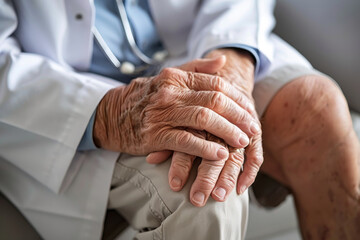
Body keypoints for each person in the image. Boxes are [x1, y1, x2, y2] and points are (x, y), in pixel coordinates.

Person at [0, 1, 358, 240]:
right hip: (61, 93)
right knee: (202, 195)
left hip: (193, 45)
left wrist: (229, 66)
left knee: (316, 108)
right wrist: (110, 113)